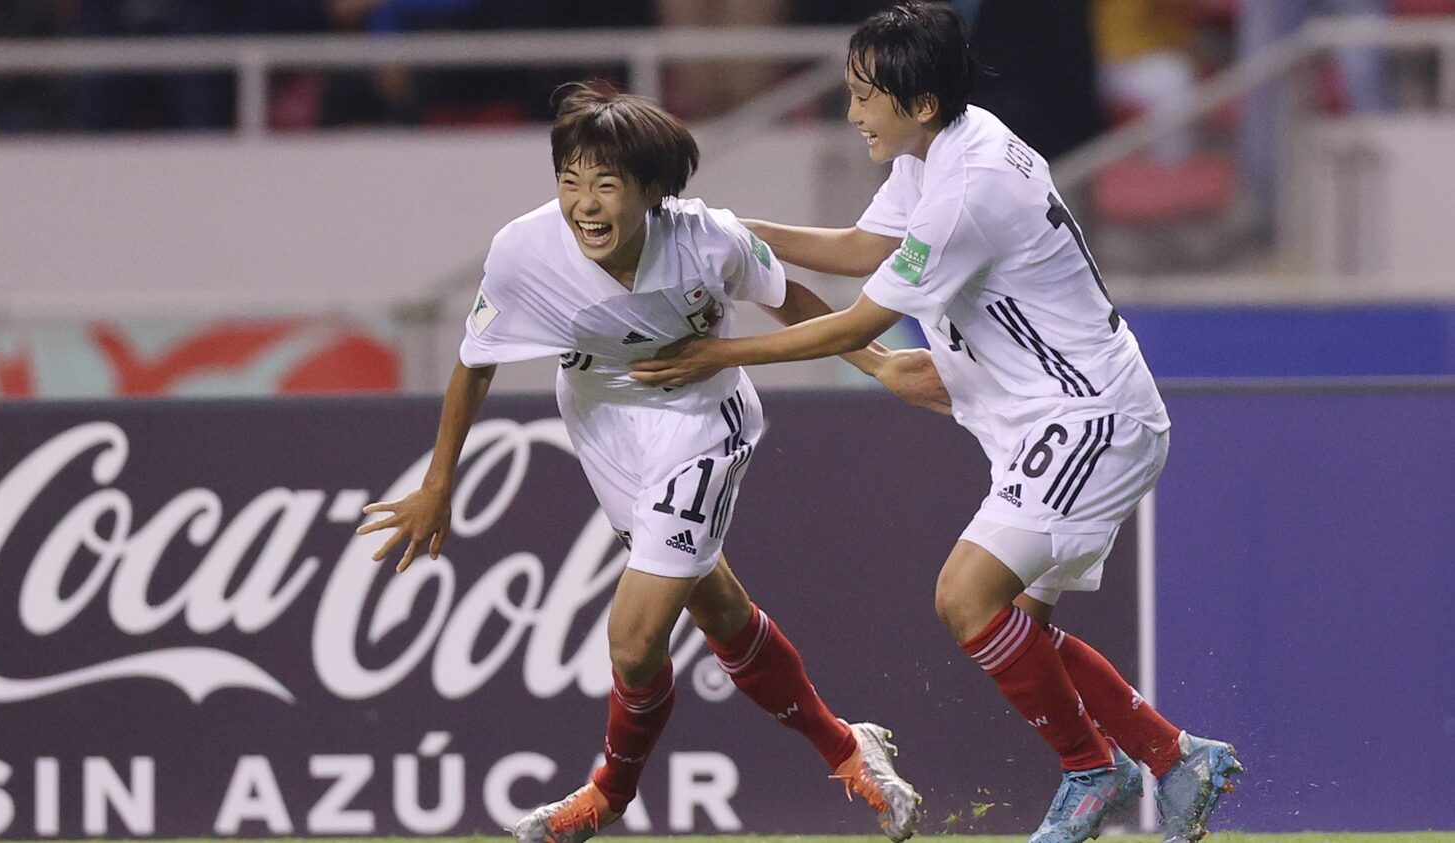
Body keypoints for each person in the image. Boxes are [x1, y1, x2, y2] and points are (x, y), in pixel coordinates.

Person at [631, 5, 1243, 843]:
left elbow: (855, 320)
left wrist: (718, 353)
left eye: (863, 97)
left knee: (965, 596)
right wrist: (733, 231)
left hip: (1087, 416)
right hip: (1041, 415)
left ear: (918, 103)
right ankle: (1173, 756)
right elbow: (859, 246)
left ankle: (1092, 770)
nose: (852, 115)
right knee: (1013, 621)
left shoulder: (969, 188)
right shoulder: (945, 144)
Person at [357, 82, 940, 843]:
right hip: (601, 423)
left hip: (701, 422)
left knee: (633, 637)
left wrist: (881, 364)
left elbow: (787, 295)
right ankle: (845, 746)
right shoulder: (523, 253)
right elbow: (475, 364)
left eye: (606, 184)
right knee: (716, 607)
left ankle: (606, 794)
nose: (585, 205)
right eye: (570, 181)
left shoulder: (707, 238)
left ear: (654, 191)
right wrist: (440, 483)